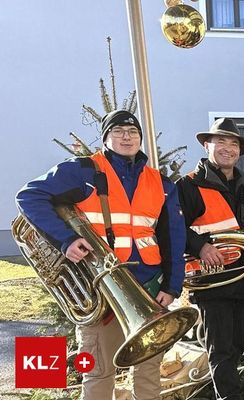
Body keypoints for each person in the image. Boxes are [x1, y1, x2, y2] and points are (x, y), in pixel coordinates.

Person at [16, 110, 186, 400]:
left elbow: (174, 237)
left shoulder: (160, 182)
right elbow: (29, 196)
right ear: (106, 137)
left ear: (141, 139)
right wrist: (66, 239)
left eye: (133, 132)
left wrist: (171, 287)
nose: (126, 137)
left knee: (149, 374)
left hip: (149, 287)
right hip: (100, 288)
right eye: (118, 131)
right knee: (99, 374)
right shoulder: (83, 170)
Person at [176, 118, 244, 400]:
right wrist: (201, 247)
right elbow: (174, 228)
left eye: (234, 144)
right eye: (221, 142)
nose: (228, 149)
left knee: (236, 346)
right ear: (207, 145)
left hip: (243, 278)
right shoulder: (189, 185)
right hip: (212, 281)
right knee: (220, 349)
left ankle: (226, 393)